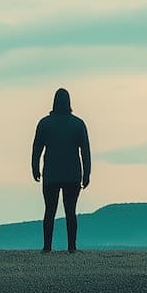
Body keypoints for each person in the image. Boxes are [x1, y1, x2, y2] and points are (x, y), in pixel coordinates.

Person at [30, 87, 91, 252]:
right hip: (72, 175)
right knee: (71, 212)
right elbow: (85, 152)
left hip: (51, 175)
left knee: (49, 211)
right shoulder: (78, 124)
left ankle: (47, 247)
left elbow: (37, 149)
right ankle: (72, 247)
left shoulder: (45, 123)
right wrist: (87, 174)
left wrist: (35, 167)